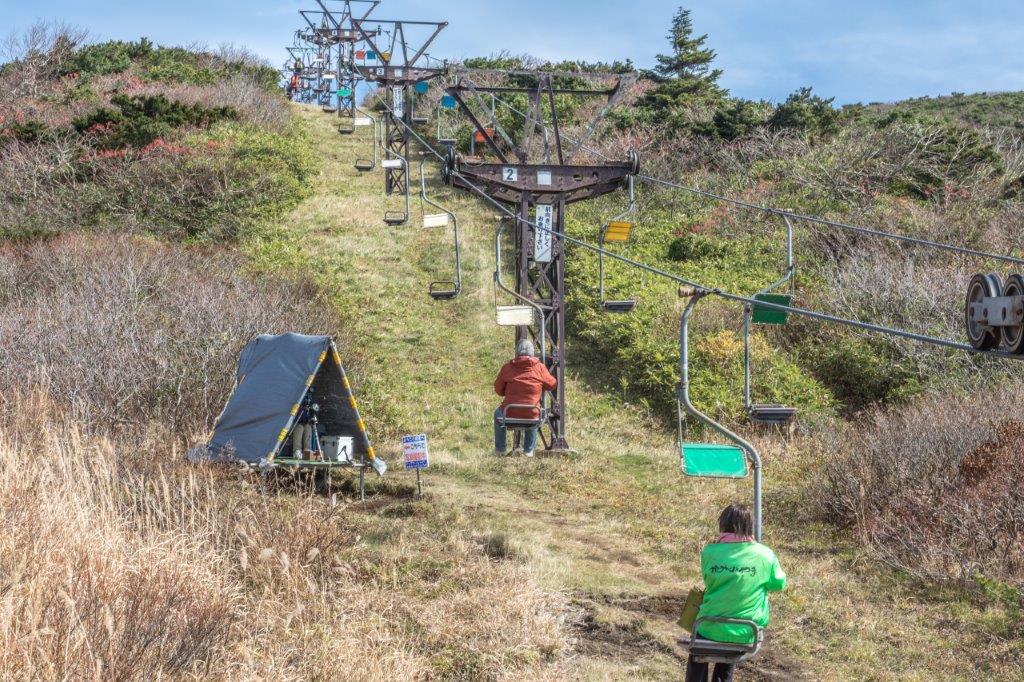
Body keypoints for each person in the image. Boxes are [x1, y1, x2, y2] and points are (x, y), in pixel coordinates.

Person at [685, 503, 787, 682]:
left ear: (722, 524)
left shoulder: (710, 552)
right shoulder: (765, 555)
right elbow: (779, 584)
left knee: (698, 652)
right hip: (746, 632)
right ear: (750, 526)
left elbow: (708, 580)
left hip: (708, 627)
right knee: (728, 654)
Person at [493, 339, 556, 457]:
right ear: (532, 353)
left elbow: (498, 390)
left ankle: (500, 450)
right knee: (534, 414)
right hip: (532, 413)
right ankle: (528, 451)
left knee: (497, 414)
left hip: (509, 412)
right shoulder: (540, 368)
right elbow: (552, 384)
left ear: (516, 352)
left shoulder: (507, 368)